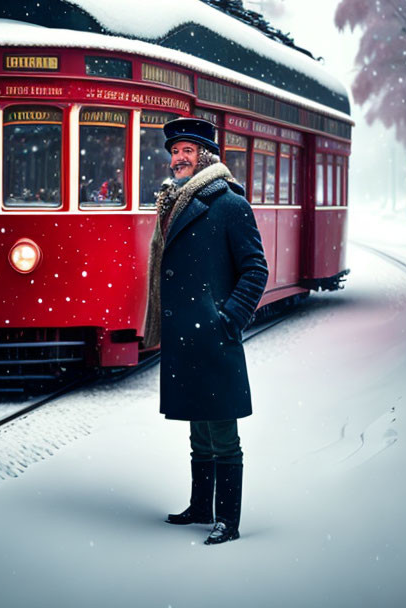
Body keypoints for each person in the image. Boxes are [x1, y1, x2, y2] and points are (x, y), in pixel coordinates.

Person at [143, 117, 268, 545]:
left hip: (213, 336)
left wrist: (227, 318)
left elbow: (256, 269)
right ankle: (201, 507)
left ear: (206, 157)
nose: (178, 158)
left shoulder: (230, 203)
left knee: (223, 435)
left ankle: (227, 522)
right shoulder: (174, 201)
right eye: (175, 151)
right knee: (199, 430)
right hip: (188, 338)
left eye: (187, 152)